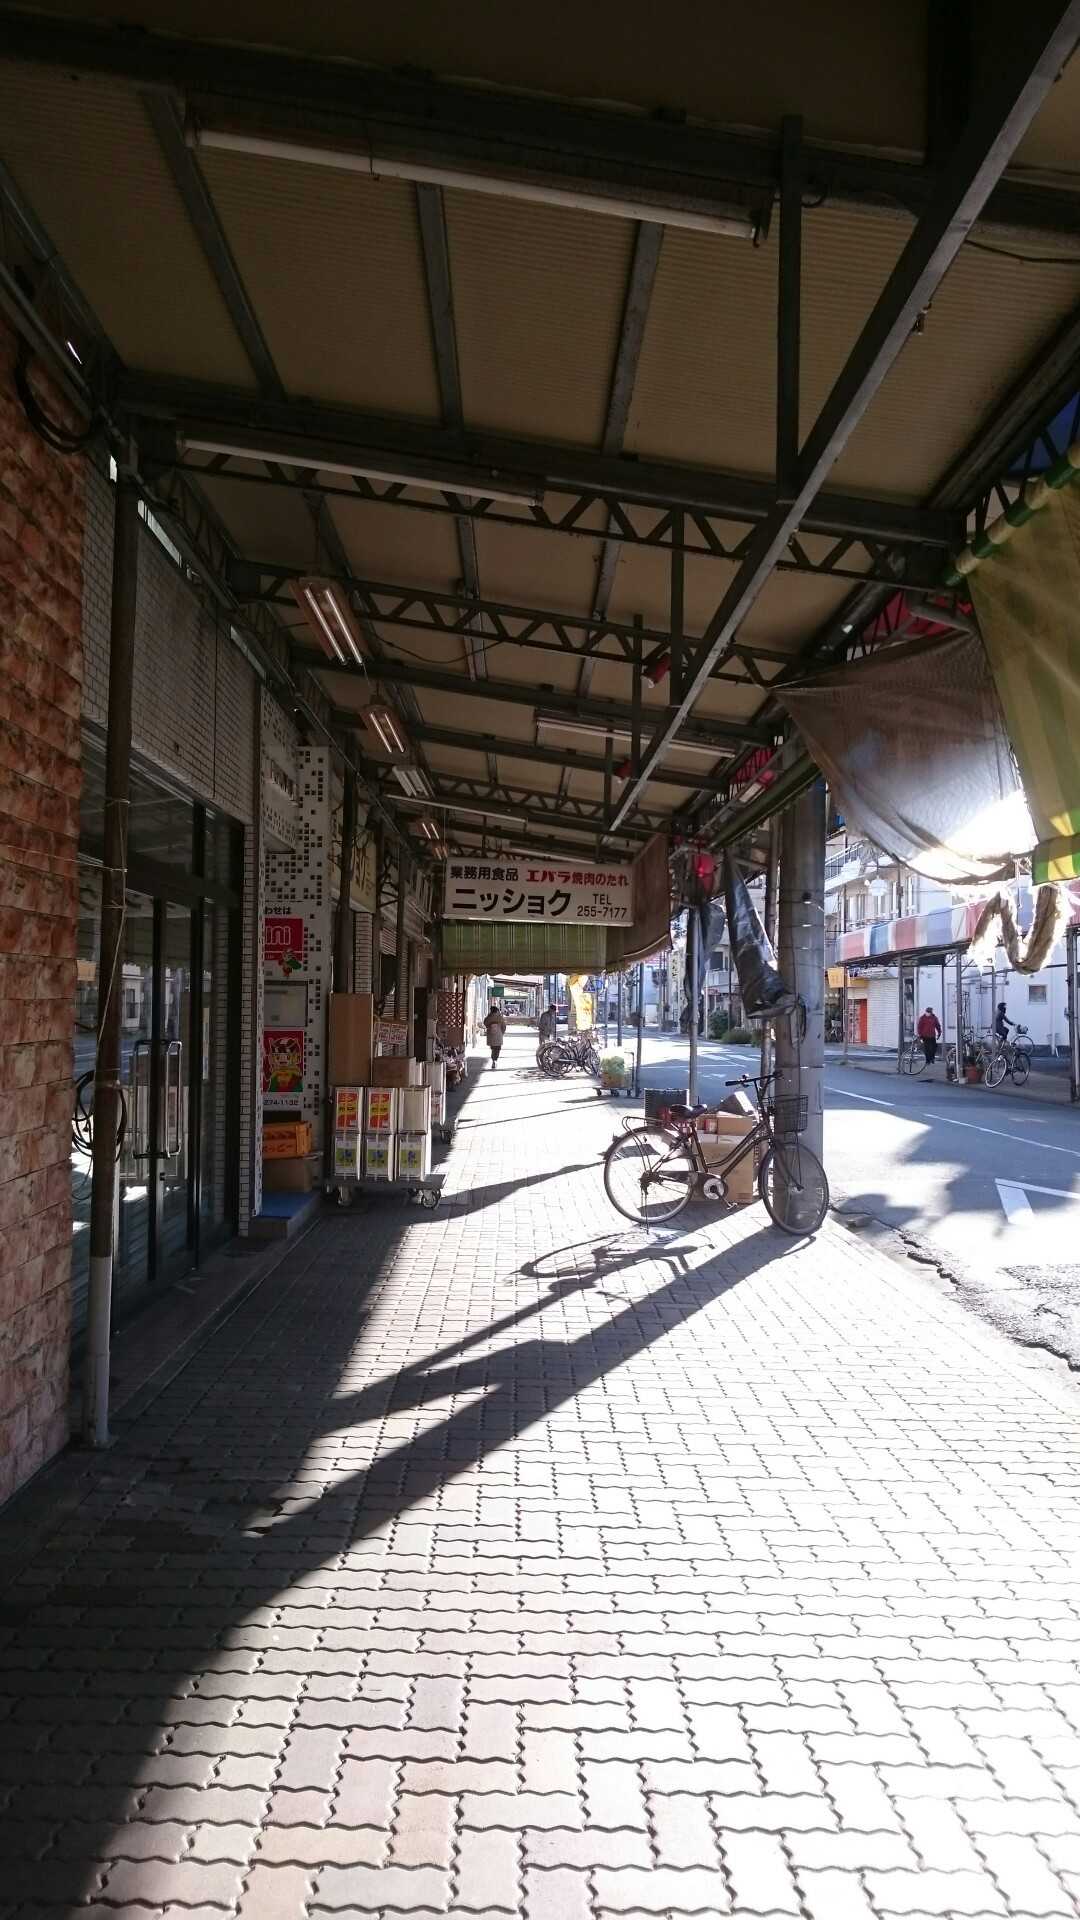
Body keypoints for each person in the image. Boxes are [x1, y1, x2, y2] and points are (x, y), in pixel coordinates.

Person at [483, 1003, 506, 1068]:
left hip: (491, 1035)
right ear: (497, 1011)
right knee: (497, 1048)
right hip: (498, 1035)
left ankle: (493, 1060)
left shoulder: (489, 1017)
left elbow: (485, 1023)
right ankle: (495, 1060)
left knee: (493, 1048)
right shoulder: (500, 1017)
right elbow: (504, 1026)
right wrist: (502, 1033)